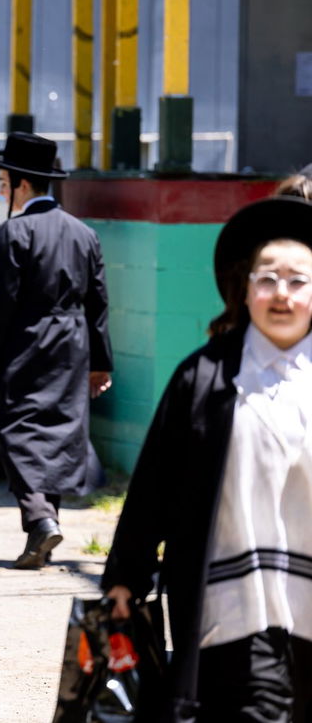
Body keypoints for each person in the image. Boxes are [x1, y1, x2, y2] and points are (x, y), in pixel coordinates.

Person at [103, 196, 312, 722]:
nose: (281, 294)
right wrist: (127, 574)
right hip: (235, 604)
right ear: (245, 289)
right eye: (268, 279)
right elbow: (154, 483)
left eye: (297, 281)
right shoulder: (205, 379)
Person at [0, 132, 113, 569]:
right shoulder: (84, 234)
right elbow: (100, 302)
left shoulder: (13, 233)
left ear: (21, 183)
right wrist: (101, 363)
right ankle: (46, 521)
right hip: (72, 348)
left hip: (24, 345)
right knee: (57, 433)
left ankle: (39, 520)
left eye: (2, 180)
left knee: (17, 430)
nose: (0, 187)